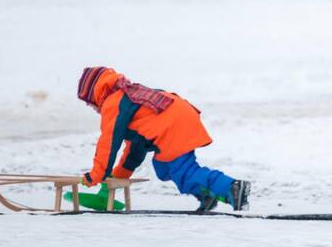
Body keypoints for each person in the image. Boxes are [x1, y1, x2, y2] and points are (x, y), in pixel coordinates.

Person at [76, 65, 250, 212]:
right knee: (163, 167)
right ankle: (207, 194)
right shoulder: (127, 96)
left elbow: (109, 142)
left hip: (173, 126)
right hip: (178, 118)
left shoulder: (114, 103)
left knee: (183, 171)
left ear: (95, 93)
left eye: (88, 101)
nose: (89, 105)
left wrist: (97, 174)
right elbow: (136, 148)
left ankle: (232, 187)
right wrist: (118, 175)